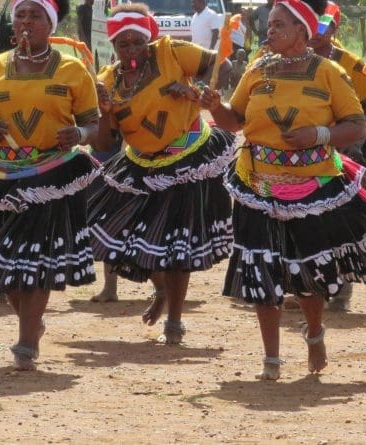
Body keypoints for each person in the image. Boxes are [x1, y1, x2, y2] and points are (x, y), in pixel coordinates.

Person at [200, 0, 366, 380]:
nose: (269, 31)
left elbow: (356, 125)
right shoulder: (256, 69)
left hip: (314, 185)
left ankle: (315, 332)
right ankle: (271, 359)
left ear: (303, 31)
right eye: (268, 25)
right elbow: (234, 122)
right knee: (263, 270)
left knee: (307, 272)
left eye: (279, 25)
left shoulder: (328, 72)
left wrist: (318, 135)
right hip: (257, 183)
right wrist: (214, 106)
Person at [0, 0, 101, 371]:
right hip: (0, 175)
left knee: (36, 260)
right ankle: (30, 321)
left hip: (52, 174)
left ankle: (26, 341)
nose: (26, 22)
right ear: (12, 24)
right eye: (20, 15)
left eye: (35, 15)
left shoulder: (72, 69)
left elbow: (92, 124)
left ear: (51, 24)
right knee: (4, 264)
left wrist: (78, 133)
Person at [89, 4, 236, 344]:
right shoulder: (107, 81)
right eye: (122, 45)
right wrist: (105, 112)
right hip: (141, 164)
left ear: (148, 39)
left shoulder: (172, 52)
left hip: (187, 159)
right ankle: (160, 289)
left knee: (176, 244)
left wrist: (195, 92)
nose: (130, 51)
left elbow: (222, 66)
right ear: (112, 46)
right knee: (122, 233)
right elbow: (103, 141)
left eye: (137, 42)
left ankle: (175, 319)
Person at [306, 0, 366, 312]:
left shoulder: (350, 63)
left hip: (347, 151)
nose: (314, 32)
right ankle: (308, 283)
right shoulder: (289, 60)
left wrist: (353, 141)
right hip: (303, 153)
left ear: (334, 29)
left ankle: (341, 288)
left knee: (340, 219)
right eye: (308, 25)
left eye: (321, 26)